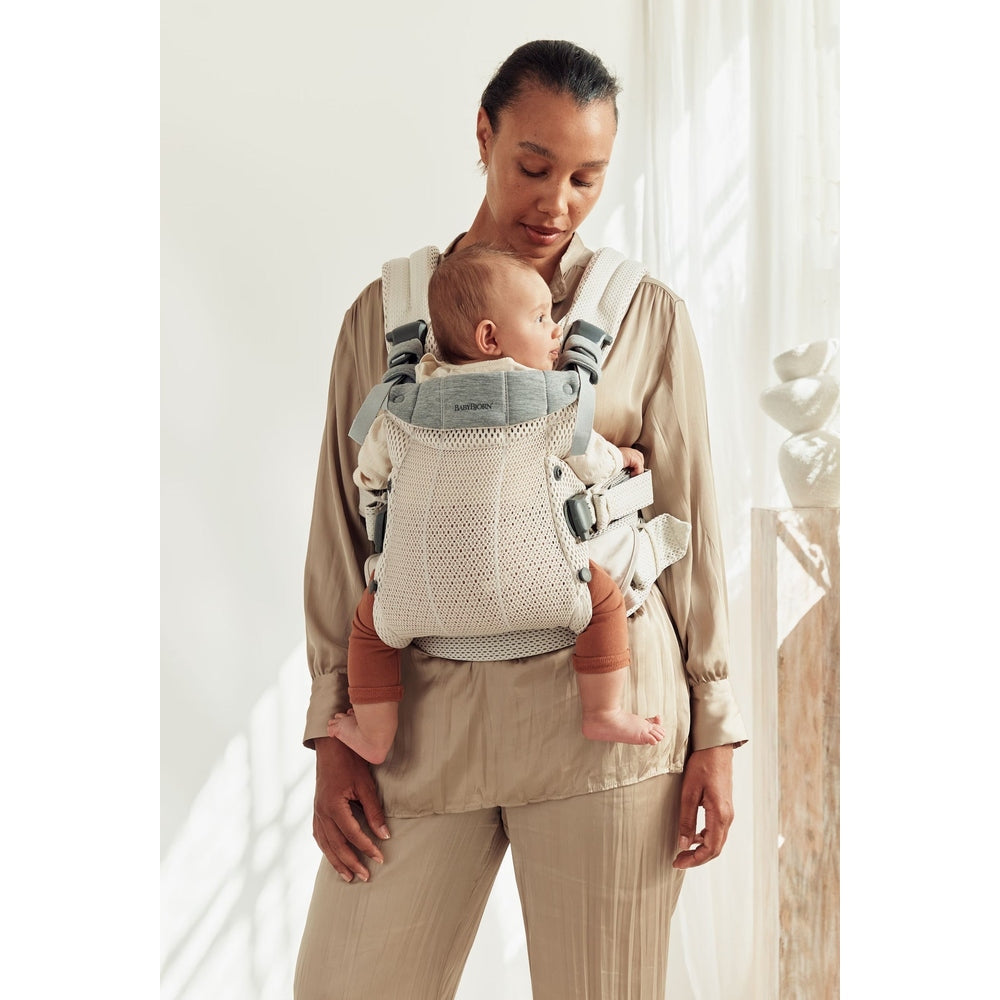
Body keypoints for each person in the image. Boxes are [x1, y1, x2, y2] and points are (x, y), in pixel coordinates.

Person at [295, 39, 748, 1000]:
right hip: (414, 727)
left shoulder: (646, 315)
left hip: (606, 725)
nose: (557, 204)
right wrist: (332, 725)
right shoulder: (384, 314)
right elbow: (342, 528)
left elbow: (693, 525)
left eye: (587, 178)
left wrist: (715, 725)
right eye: (533, 167)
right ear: (484, 135)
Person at [327, 243, 666, 766]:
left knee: (370, 629)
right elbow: (593, 462)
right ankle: (604, 711)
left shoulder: (402, 407)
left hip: (420, 592)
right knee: (603, 603)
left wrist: (379, 488)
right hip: (543, 582)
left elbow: (370, 475)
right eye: (540, 318)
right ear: (490, 338)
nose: (556, 330)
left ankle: (374, 734)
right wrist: (623, 456)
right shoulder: (549, 399)